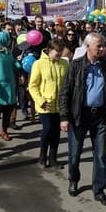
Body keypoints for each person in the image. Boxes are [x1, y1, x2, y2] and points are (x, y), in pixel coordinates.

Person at [58, 33, 106, 206]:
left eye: (103, 46)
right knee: (75, 153)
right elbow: (65, 92)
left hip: (100, 116)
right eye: (98, 46)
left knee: (100, 155)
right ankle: (73, 179)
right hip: (79, 116)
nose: (102, 49)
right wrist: (64, 117)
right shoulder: (76, 66)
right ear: (87, 47)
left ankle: (99, 190)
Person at [28, 39, 68, 168]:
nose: (60, 54)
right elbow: (33, 86)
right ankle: (42, 155)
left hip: (60, 105)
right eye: (57, 52)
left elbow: (68, 84)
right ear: (50, 50)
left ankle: (53, 158)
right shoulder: (38, 64)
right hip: (46, 104)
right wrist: (40, 101)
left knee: (56, 132)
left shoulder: (64, 64)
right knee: (48, 129)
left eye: (61, 52)